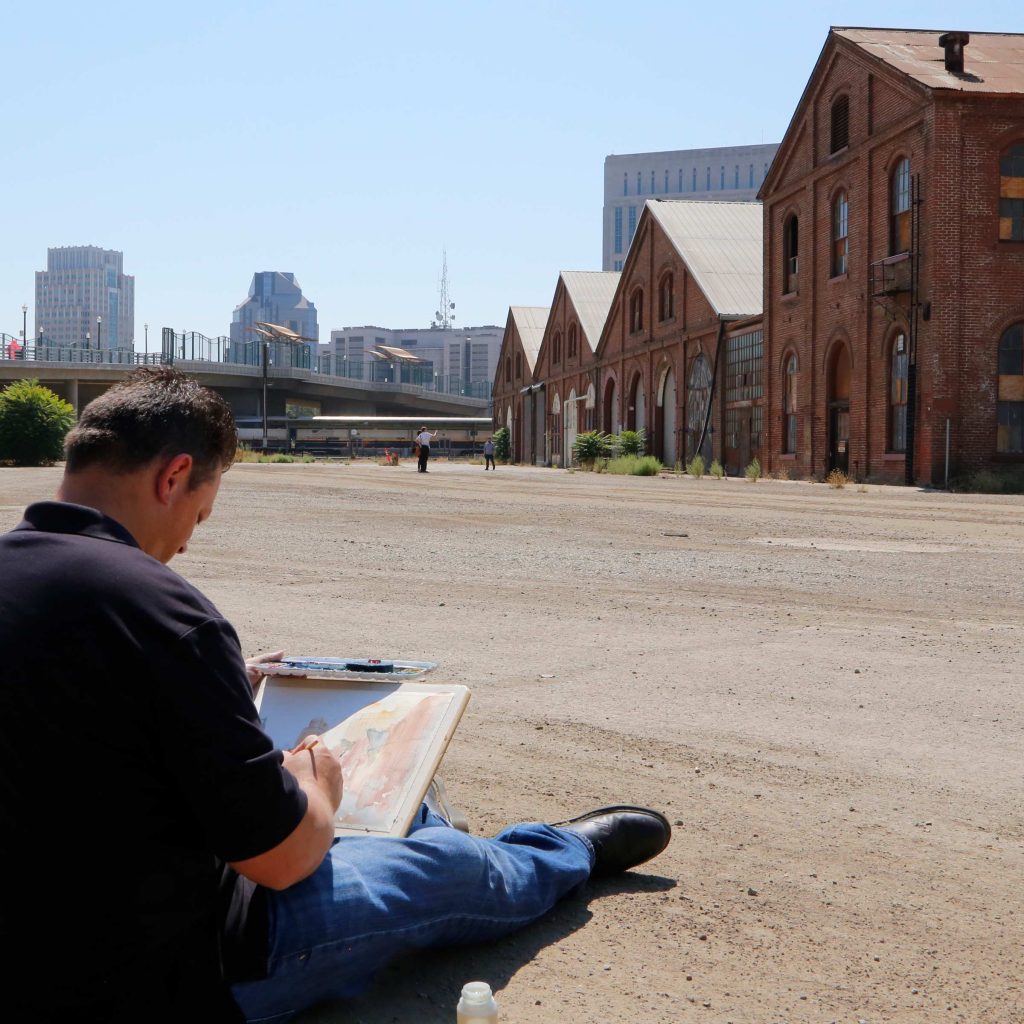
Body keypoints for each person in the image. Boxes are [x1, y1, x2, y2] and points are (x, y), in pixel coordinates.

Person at [0, 368, 671, 1023]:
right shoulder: (164, 613)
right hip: (179, 973)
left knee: (381, 816)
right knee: (438, 866)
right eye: (200, 515)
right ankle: (559, 852)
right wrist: (315, 784)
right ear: (173, 476)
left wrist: (221, 678)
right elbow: (284, 860)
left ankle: (416, 824)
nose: (186, 541)